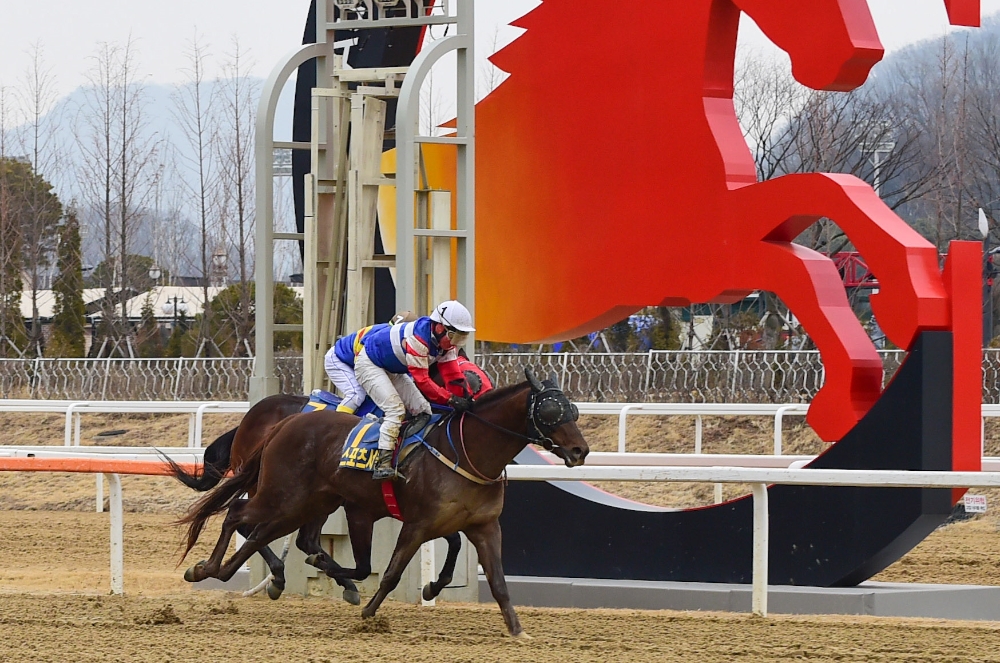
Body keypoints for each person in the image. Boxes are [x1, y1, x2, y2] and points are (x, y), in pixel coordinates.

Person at [354, 300, 476, 480]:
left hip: (391, 368)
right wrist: (450, 400)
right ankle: (383, 463)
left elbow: (453, 375)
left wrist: (466, 397)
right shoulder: (418, 340)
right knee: (395, 410)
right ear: (439, 328)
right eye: (454, 336)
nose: (454, 343)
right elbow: (423, 382)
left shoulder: (446, 344)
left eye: (460, 338)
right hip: (369, 364)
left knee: (423, 411)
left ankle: (403, 449)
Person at [323, 312, 414, 414]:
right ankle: (338, 424)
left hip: (355, 360)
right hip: (338, 359)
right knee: (356, 394)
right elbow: (361, 366)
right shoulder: (377, 336)